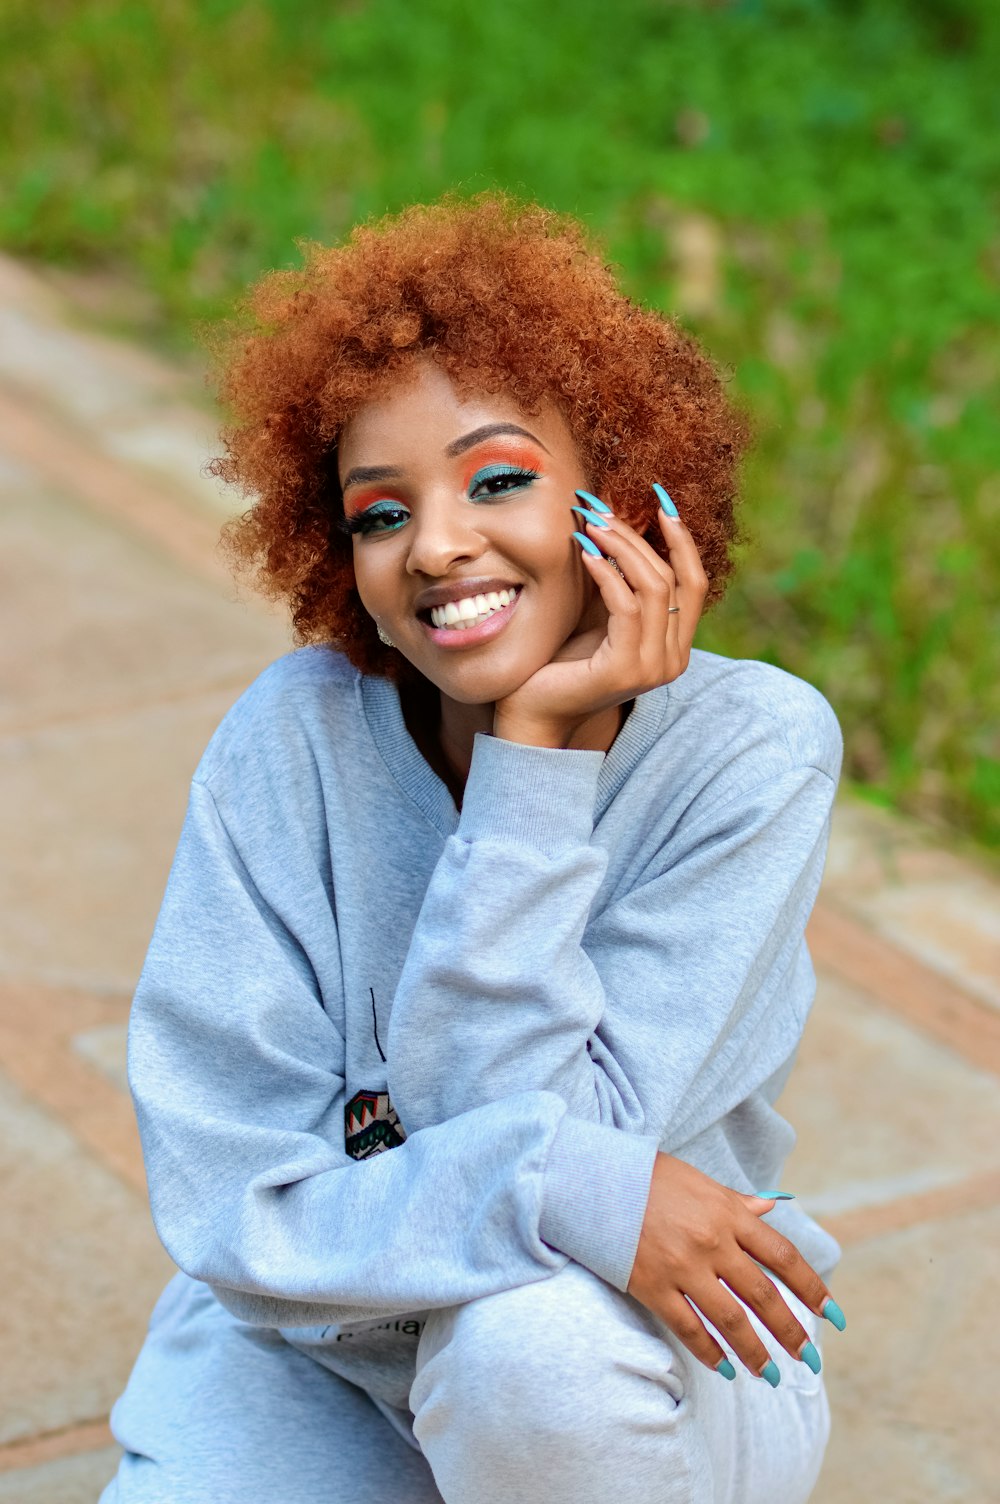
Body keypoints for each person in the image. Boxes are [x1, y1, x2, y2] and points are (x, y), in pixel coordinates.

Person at [100, 194, 848, 1504]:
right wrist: (562, 1175)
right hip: (319, 1360)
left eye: (498, 481)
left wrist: (536, 764)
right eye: (380, 514)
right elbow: (239, 1206)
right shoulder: (295, 743)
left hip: (627, 1359)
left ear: (615, 489)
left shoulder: (753, 754)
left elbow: (583, 1227)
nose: (437, 545)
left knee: (526, 1353)